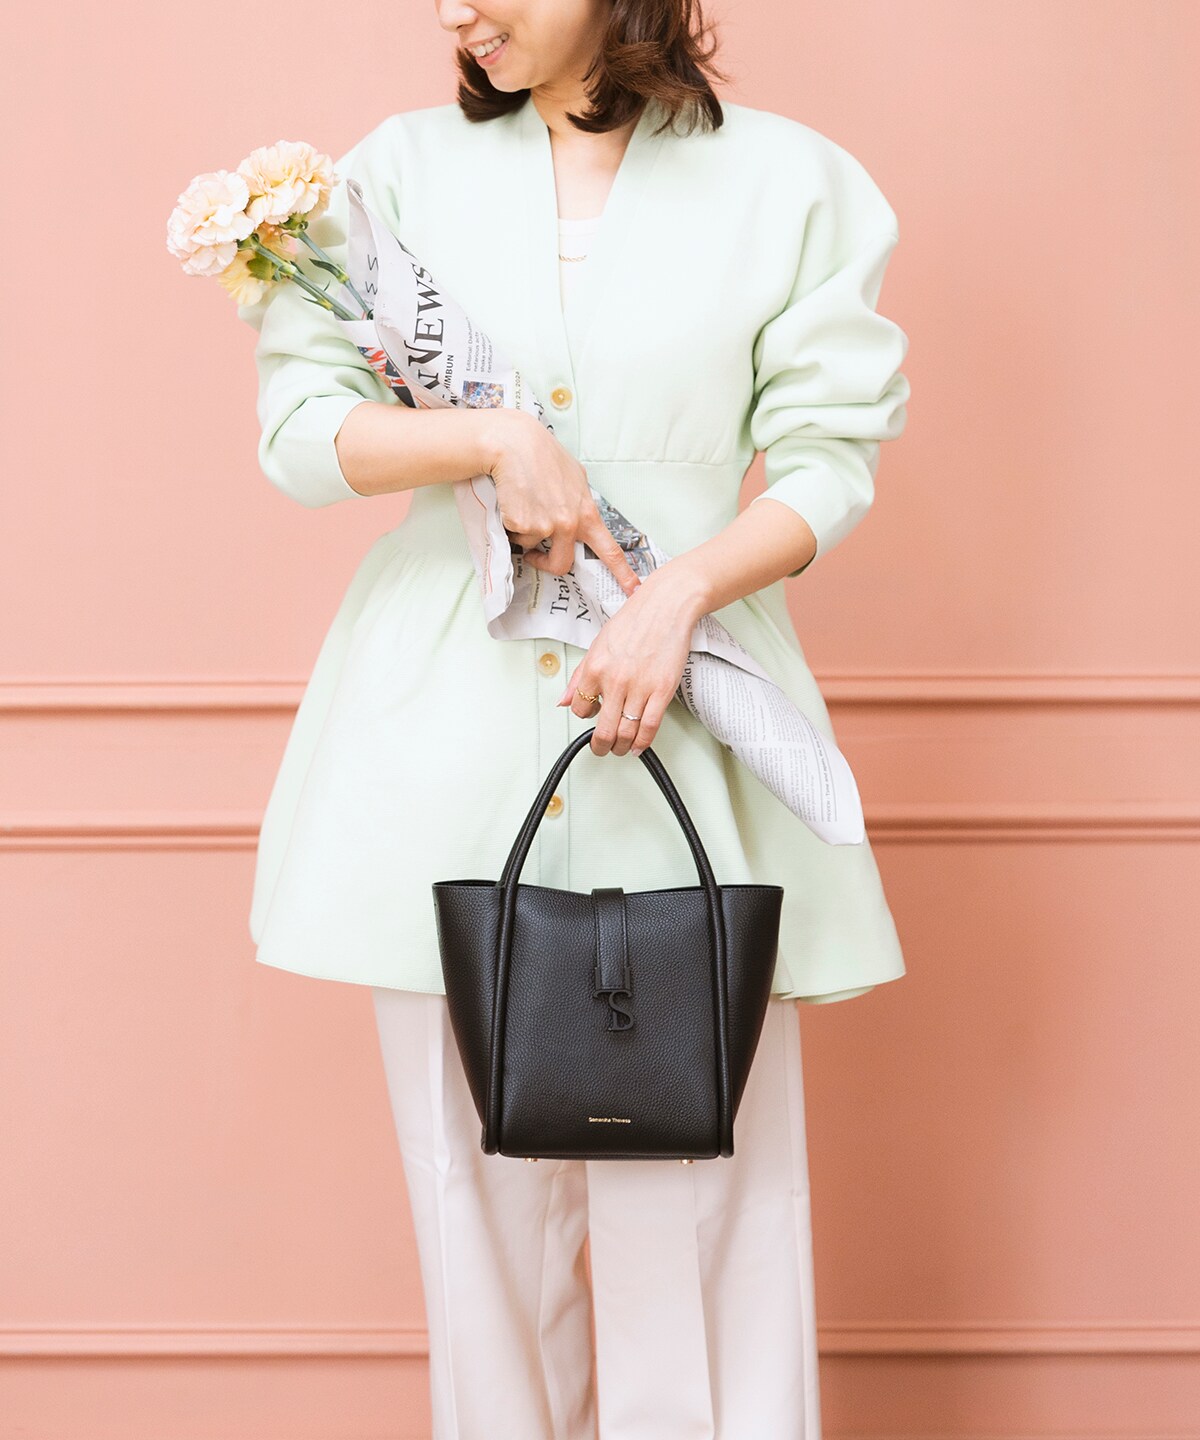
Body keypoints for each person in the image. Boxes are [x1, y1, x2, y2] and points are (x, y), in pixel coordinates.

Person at [238, 0, 911, 1433]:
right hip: (438, 741)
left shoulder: (793, 184)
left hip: (699, 722)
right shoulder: (389, 175)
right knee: (474, 1219)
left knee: (718, 1213)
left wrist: (681, 597)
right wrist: (494, 437)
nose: (456, 12)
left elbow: (831, 456)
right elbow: (302, 430)